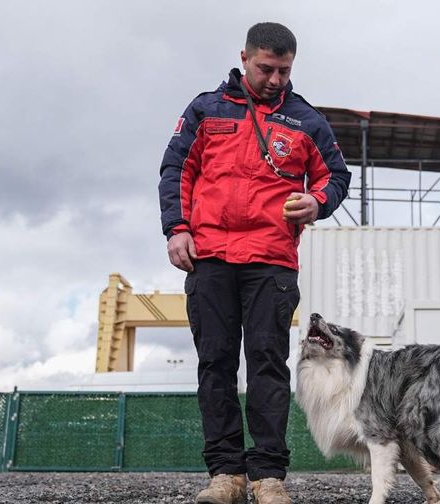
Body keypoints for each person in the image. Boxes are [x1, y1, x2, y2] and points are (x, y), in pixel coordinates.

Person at [158, 22, 350, 504]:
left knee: (268, 364)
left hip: (272, 260)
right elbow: (177, 168)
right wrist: (177, 227)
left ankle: (269, 477)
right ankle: (225, 476)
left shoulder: (307, 120)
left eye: (284, 70)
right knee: (215, 363)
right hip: (210, 257)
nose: (276, 79)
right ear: (244, 57)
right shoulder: (206, 109)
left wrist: (318, 201)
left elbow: (336, 177)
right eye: (267, 68)